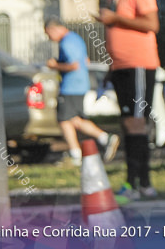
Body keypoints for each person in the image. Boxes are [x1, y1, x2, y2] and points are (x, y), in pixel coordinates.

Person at [96, 0, 160, 201]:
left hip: (139, 65)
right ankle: (133, 182)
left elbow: (152, 23)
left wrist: (115, 20)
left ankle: (141, 183)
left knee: (137, 123)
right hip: (121, 66)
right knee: (127, 123)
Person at [44, 19, 120, 165]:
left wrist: (54, 65)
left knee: (64, 120)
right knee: (75, 119)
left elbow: (75, 65)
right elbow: (86, 60)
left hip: (70, 86)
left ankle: (76, 154)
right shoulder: (76, 39)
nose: (49, 38)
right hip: (80, 85)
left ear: (55, 29)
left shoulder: (66, 42)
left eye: (48, 34)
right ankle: (105, 138)